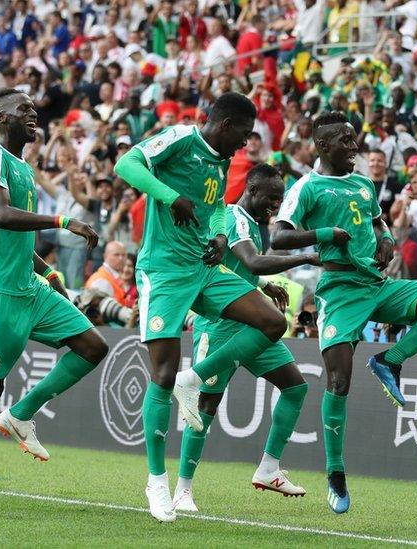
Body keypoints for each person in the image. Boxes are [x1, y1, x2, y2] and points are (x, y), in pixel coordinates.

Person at [271, 111, 417, 514]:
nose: (354, 147)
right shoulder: (307, 187)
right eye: (345, 141)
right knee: (339, 380)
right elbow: (279, 235)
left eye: (354, 139)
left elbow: (378, 223)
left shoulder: (362, 182)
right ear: (322, 146)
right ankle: (336, 474)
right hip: (340, 291)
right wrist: (325, 235)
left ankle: (390, 360)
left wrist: (388, 239)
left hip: (378, 286)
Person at [113, 92, 289, 523]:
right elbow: (125, 165)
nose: (246, 146)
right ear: (225, 125)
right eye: (244, 136)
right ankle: (157, 481)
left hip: (204, 268)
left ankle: (192, 379)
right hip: (165, 272)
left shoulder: (221, 161)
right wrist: (170, 195)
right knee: (161, 374)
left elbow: (213, 209)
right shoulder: (179, 138)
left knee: (272, 320)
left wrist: (219, 237)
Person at [0, 88, 108, 513]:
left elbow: (16, 235)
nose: (33, 112)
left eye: (34, 108)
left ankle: (21, 414)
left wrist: (50, 271)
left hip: (29, 286)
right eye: (23, 109)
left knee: (93, 346)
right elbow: (0, 216)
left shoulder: (23, 167)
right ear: (1, 119)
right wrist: (63, 221)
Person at [174, 164, 320, 512]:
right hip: (221, 325)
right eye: (271, 198)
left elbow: (236, 270)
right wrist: (308, 257)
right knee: (207, 406)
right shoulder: (235, 217)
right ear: (251, 190)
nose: (275, 205)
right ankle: (182, 490)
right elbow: (251, 261)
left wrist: (263, 285)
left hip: (250, 324)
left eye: (280, 199)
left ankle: (269, 468)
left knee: (296, 386)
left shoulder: (253, 222)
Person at [84, 241, 132, 306]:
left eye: (124, 255)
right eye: (116, 255)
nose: (121, 258)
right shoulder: (101, 281)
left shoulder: (112, 276)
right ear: (105, 256)